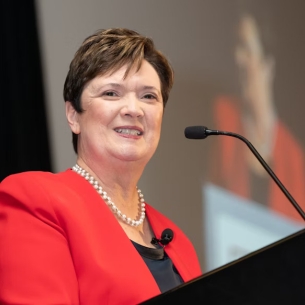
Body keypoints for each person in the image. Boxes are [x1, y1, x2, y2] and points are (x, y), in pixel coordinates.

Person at [0, 28, 202, 304]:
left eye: (149, 97)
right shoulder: (36, 200)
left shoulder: (181, 244)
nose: (134, 109)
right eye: (111, 93)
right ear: (73, 116)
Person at [209, 13, 305, 222]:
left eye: (246, 48)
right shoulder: (221, 118)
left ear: (267, 64)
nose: (237, 57)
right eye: (236, 47)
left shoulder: (294, 156)